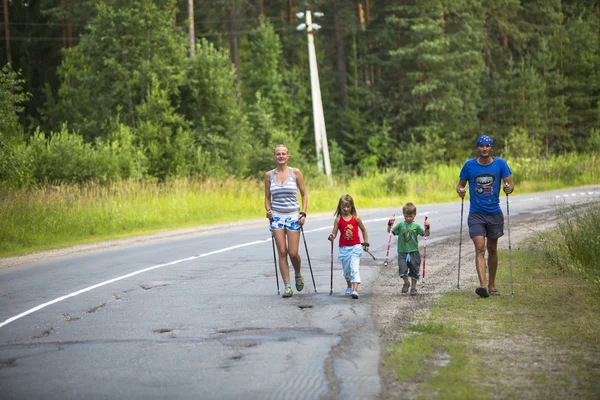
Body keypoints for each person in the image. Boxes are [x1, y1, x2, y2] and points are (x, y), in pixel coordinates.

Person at [456, 135, 514, 298]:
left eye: (487, 146)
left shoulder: (500, 164)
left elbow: (509, 183)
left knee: (492, 249)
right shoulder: (469, 166)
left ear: (491, 148)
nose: (484, 148)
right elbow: (460, 185)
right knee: (480, 248)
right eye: (481, 146)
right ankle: (482, 286)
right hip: (476, 214)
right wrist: (460, 190)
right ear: (477, 148)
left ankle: (492, 285)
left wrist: (508, 187)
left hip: (494, 213)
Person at [265, 144, 308, 298]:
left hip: (293, 215)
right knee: (282, 252)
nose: (281, 156)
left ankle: (297, 273)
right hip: (277, 215)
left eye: (283, 154)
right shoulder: (269, 175)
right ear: (274, 156)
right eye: (278, 154)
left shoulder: (295, 173)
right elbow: (266, 197)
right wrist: (268, 210)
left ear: (288, 156)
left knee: (293, 252)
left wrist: (303, 213)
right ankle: (287, 286)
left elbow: (304, 194)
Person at [328, 194, 369, 299]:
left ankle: (355, 290)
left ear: (352, 206)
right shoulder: (338, 220)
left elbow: (364, 230)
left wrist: (365, 243)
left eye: (348, 207)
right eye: (343, 207)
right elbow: (334, 233)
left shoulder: (356, 218)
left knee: (354, 268)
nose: (346, 209)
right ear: (339, 206)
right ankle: (349, 286)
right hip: (344, 248)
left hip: (355, 247)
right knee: (347, 271)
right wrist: (332, 236)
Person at [387, 202, 430, 296]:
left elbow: (426, 234)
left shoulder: (416, 226)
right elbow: (391, 231)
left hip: (413, 252)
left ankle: (414, 288)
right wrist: (390, 224)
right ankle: (406, 282)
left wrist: (427, 226)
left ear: (414, 215)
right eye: (406, 216)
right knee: (402, 270)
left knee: (414, 270)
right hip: (402, 252)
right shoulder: (401, 225)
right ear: (403, 215)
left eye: (410, 216)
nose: (408, 218)